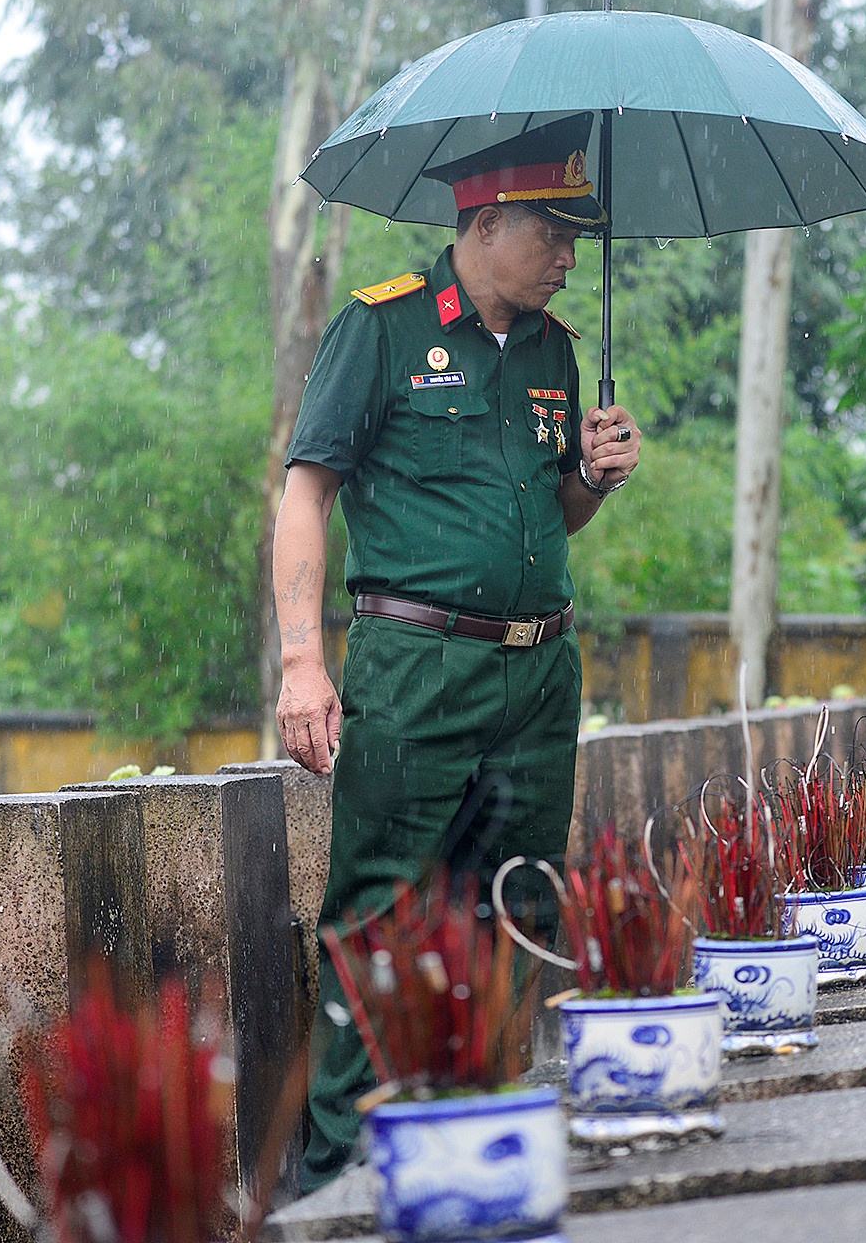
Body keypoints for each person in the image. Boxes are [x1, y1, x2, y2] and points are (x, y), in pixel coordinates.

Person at [271, 112, 642, 1189]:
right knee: (381, 913)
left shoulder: (556, 351)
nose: (571, 256)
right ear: (483, 223)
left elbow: (551, 516)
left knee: (519, 900)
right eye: (554, 233)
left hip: (539, 670)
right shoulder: (381, 330)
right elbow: (308, 494)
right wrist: (303, 661)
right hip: (417, 663)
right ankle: (341, 1170)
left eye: (579, 237)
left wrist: (595, 478)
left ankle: (488, 1132)